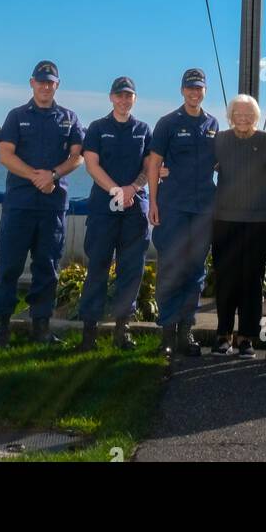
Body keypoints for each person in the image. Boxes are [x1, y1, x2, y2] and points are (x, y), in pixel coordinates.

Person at [0, 60, 84, 348]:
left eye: (50, 82)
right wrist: (36, 176)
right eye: (40, 81)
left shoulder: (69, 118)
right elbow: (5, 155)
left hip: (52, 207)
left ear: (57, 85)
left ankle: (41, 328)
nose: (45, 86)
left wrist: (54, 175)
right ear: (32, 83)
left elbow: (78, 156)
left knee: (48, 267)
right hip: (19, 204)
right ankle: (1, 329)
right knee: (9, 266)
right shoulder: (16, 116)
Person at [146, 68, 219, 360]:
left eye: (199, 88)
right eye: (190, 87)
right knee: (170, 269)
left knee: (195, 271)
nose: (194, 92)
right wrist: (152, 202)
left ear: (204, 91)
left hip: (202, 211)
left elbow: (220, 164)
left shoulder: (212, 124)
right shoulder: (168, 123)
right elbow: (154, 164)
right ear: (182, 90)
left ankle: (185, 330)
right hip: (173, 207)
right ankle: (166, 331)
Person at [78, 76, 151, 352]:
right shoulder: (98, 128)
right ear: (111, 98)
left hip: (134, 209)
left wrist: (133, 188)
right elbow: (91, 165)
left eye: (128, 96)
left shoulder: (143, 129)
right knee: (97, 266)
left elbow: (149, 167)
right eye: (119, 95)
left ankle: (123, 331)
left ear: (134, 99)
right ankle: (89, 333)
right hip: (104, 208)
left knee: (131, 270)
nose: (123, 100)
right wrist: (115, 190)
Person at [211, 94, 266, 358]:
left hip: (258, 222)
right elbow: (198, 165)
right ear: (230, 116)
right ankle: (223, 334)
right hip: (224, 220)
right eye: (238, 114)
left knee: (252, 281)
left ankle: (246, 337)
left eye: (248, 114)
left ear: (255, 117)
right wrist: (166, 170)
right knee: (225, 279)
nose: (243, 118)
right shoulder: (220, 140)